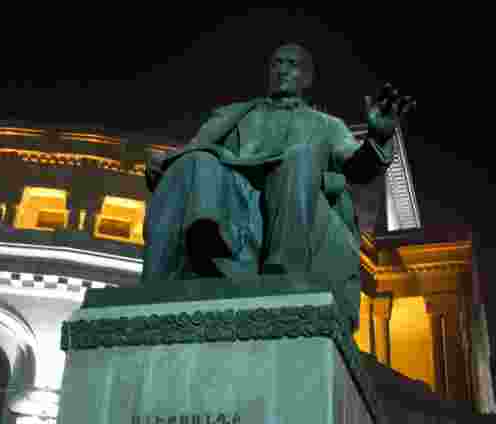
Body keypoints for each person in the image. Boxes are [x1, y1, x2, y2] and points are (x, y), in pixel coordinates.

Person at [142, 44, 415, 329]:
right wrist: (167, 161)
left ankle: (282, 275)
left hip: (294, 194)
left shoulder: (327, 125)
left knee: (300, 157)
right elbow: (195, 148)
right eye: (276, 63)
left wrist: (378, 138)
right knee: (195, 161)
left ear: (307, 79)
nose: (282, 69)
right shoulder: (236, 115)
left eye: (291, 64)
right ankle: (205, 238)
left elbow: (358, 165)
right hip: (236, 192)